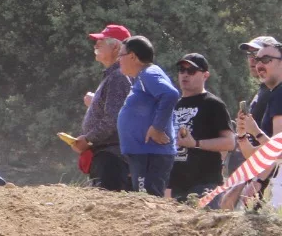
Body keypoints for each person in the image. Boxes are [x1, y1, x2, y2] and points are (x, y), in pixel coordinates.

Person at [116, 34, 179, 197]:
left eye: (120, 55)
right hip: (143, 154)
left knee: (147, 202)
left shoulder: (148, 74)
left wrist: (157, 128)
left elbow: (170, 94)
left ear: (132, 56)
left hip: (150, 154)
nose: (118, 60)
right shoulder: (142, 77)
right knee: (143, 203)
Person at [74, 24, 134, 192]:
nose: (96, 45)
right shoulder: (114, 76)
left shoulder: (118, 77)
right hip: (106, 154)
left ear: (116, 46)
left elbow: (113, 119)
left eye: (101, 41)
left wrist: (88, 139)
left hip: (111, 157)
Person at [170, 53, 235, 202]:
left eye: (191, 71)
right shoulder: (174, 104)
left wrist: (196, 143)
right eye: (182, 70)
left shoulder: (213, 104)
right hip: (175, 184)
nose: (185, 75)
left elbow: (230, 142)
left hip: (205, 184)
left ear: (205, 75)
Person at [235, 36, 282, 161]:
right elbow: (257, 154)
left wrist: (255, 131)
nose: (253, 60)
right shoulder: (266, 90)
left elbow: (278, 151)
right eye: (251, 55)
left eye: (264, 58)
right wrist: (241, 135)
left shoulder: (277, 93)